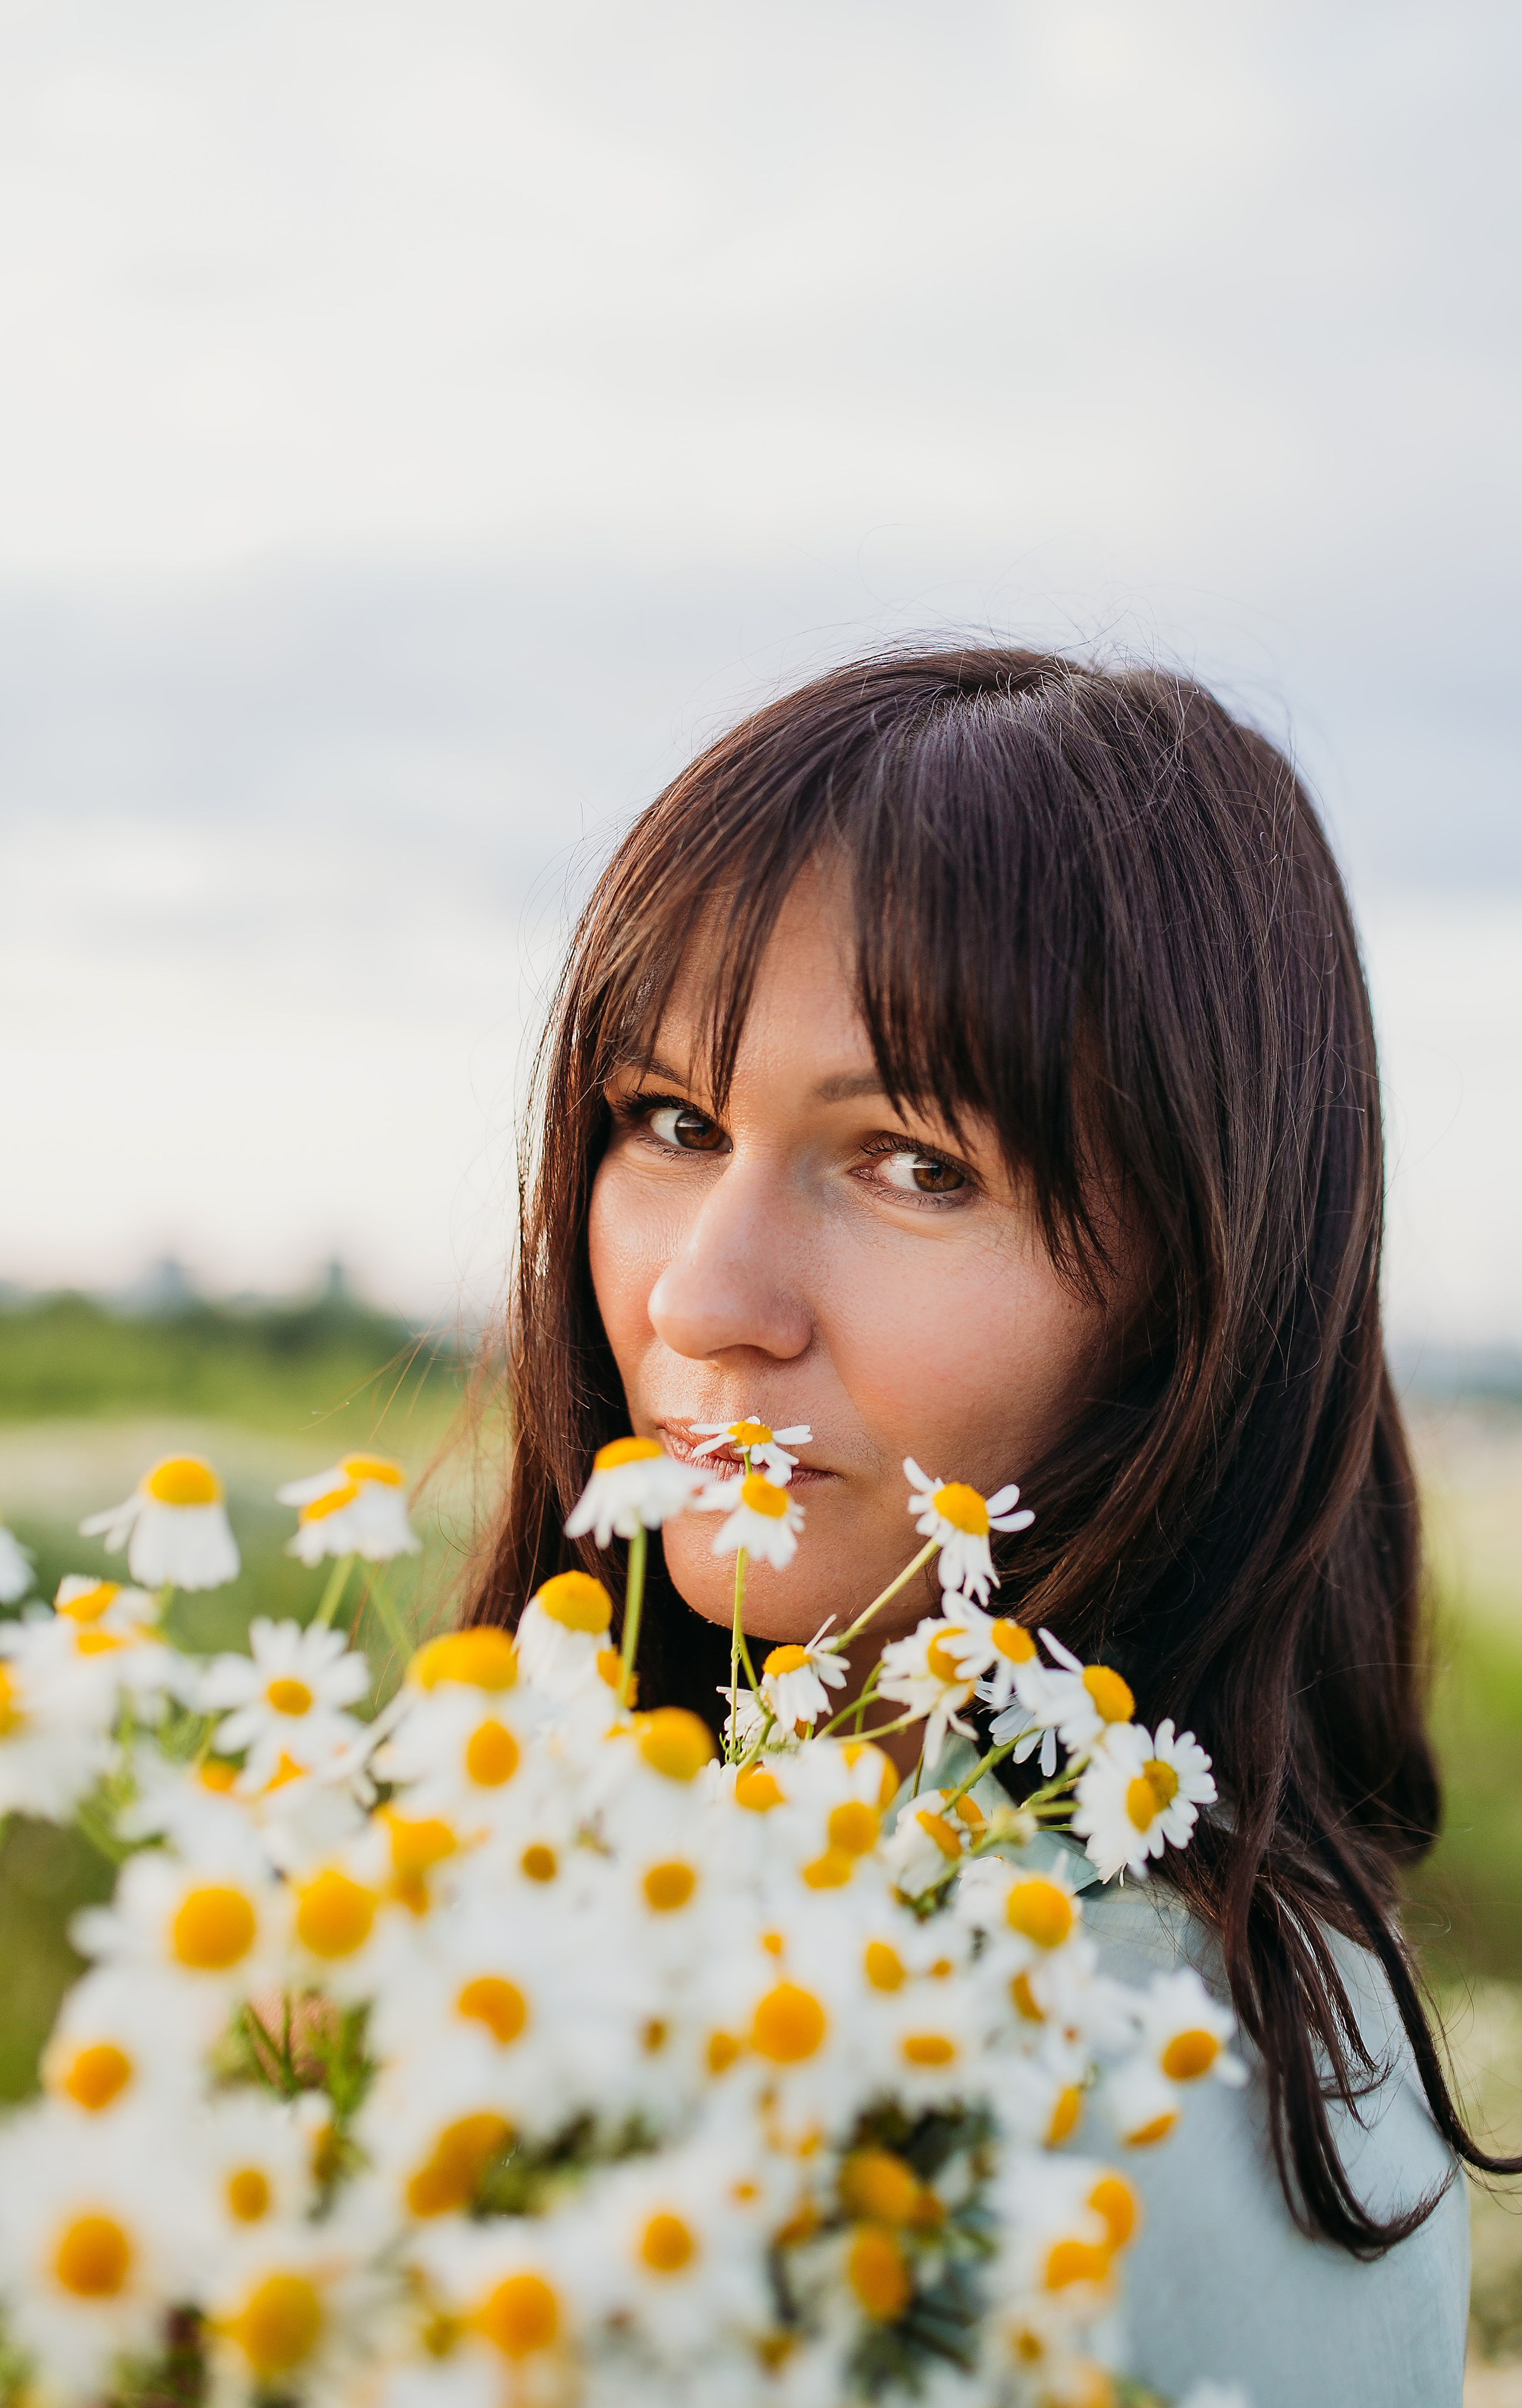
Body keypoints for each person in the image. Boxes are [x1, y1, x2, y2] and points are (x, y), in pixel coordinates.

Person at [470, 645, 1507, 2404]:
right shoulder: (762, 1898)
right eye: (670, 1122)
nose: (706, 1297)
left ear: (1203, 1284)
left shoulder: (1094, 2074)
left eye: (913, 1162)